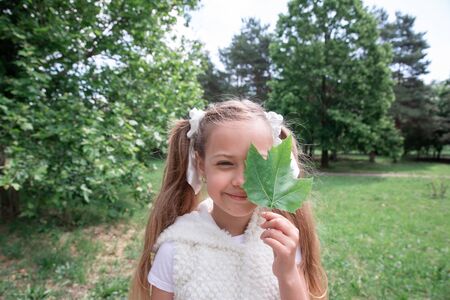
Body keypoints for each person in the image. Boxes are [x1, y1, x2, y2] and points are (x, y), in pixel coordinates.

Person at [129, 100, 327, 300]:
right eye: (225, 163)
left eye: (257, 165)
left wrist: (288, 273)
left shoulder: (282, 242)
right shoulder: (176, 250)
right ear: (201, 164)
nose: (241, 181)